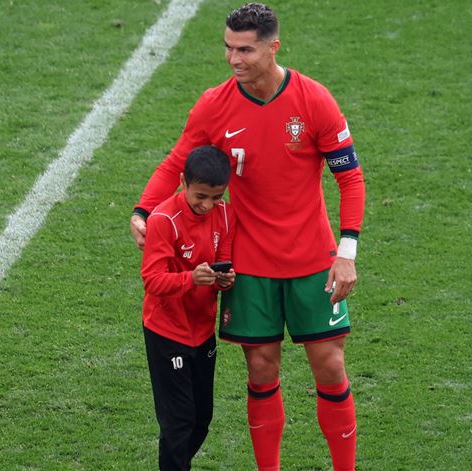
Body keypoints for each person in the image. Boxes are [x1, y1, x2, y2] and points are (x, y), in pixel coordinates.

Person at [131, 3, 365, 470]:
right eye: (228, 48)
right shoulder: (215, 104)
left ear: (273, 47)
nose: (234, 59)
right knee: (261, 369)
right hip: (249, 266)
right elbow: (179, 161)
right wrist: (143, 208)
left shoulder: (313, 100)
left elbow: (350, 179)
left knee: (331, 367)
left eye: (245, 50)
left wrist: (347, 252)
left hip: (313, 261)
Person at [140, 145, 237, 471]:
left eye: (216, 197)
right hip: (167, 333)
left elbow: (223, 257)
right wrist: (190, 279)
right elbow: (152, 280)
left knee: (201, 419)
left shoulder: (225, 214)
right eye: (200, 196)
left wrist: (224, 280)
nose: (207, 205)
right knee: (178, 422)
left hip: (202, 330)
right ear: (182, 182)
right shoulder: (163, 220)